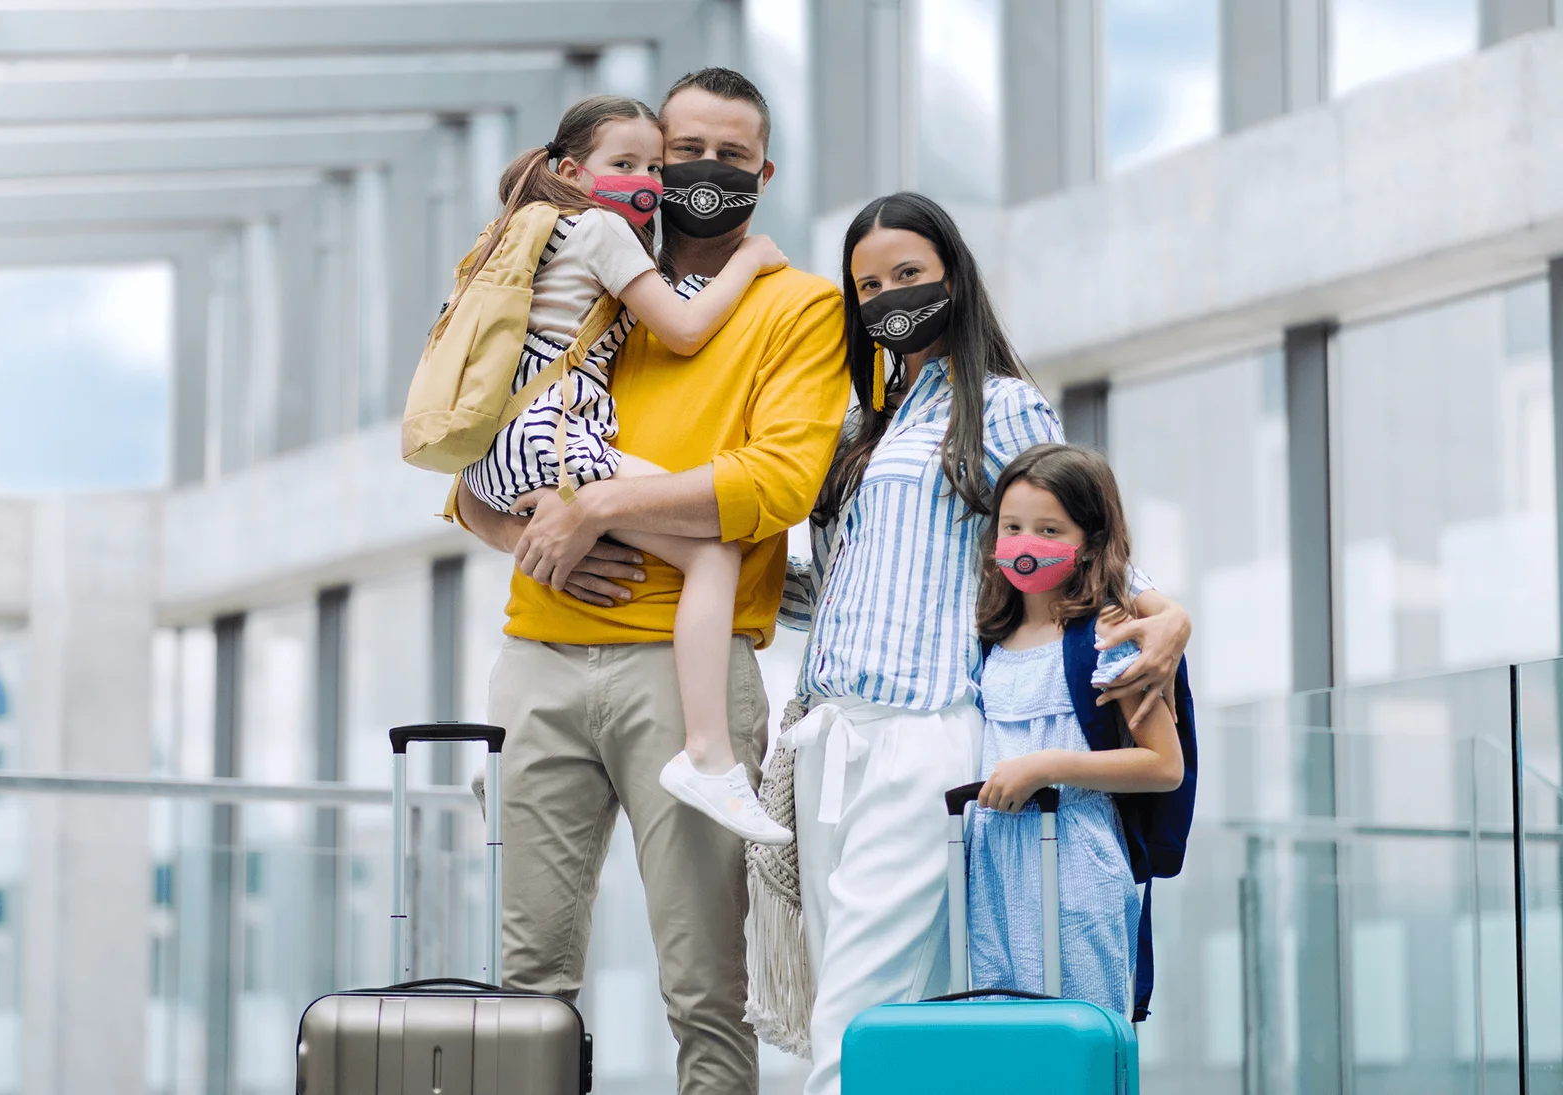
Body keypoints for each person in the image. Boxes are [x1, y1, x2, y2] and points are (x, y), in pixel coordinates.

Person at [452, 68, 849, 1095]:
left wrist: (597, 510)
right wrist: (522, 528)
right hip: (535, 658)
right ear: (644, 160)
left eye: (731, 157)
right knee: (526, 980)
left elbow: (774, 484)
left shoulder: (797, 307)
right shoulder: (580, 276)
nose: (705, 174)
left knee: (706, 987)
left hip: (690, 673)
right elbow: (477, 457)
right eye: (686, 153)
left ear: (763, 171)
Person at [776, 192, 1190, 1095]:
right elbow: (849, 584)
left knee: (852, 1016)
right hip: (830, 736)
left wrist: (1169, 615)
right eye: (869, 284)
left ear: (954, 277)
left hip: (925, 726)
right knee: (895, 1003)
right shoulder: (862, 425)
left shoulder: (999, 406)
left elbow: (1079, 528)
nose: (890, 296)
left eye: (909, 275)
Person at [455, 93, 790, 843]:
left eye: (650, 165)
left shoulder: (528, 230)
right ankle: (707, 753)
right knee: (713, 550)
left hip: (499, 453)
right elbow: (685, 327)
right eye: (627, 164)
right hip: (555, 441)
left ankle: (546, 753)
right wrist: (754, 259)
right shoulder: (603, 229)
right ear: (574, 170)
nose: (647, 181)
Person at [969, 443, 1185, 1016]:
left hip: (1078, 862)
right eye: (1011, 527)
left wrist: (1043, 767)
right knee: (1006, 1048)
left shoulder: (1107, 637)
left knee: (1079, 1038)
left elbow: (1164, 764)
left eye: (1049, 529)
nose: (1025, 543)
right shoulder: (989, 640)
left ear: (1088, 539)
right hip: (994, 866)